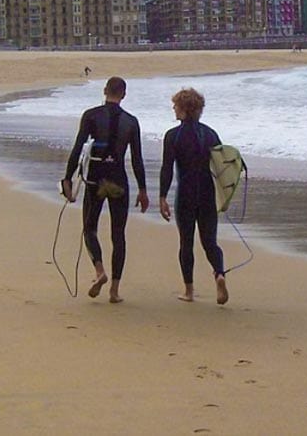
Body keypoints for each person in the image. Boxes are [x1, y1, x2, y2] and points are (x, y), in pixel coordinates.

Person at [61, 76, 149, 303]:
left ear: (104, 90)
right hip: (118, 180)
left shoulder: (91, 116)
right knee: (118, 235)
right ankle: (115, 291)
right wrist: (142, 189)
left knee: (90, 229)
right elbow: (137, 159)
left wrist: (67, 179)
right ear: (124, 94)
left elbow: (78, 147)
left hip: (95, 180)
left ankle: (100, 271)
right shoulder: (131, 121)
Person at [159, 88, 228, 305]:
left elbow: (167, 169)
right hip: (207, 194)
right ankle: (219, 274)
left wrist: (162, 196)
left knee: (186, 242)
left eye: (176, 106)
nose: (173, 109)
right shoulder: (211, 134)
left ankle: (188, 291)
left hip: (186, 195)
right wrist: (224, 195)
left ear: (184, 109)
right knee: (210, 242)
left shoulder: (173, 136)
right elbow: (223, 167)